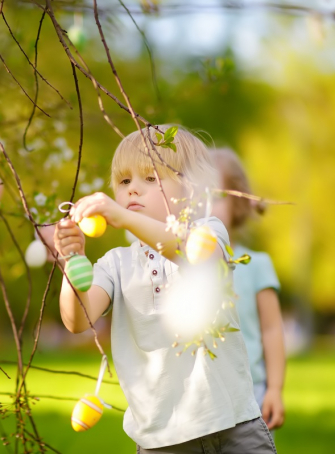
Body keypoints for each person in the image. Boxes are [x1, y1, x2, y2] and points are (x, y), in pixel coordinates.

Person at [54, 126, 277, 454]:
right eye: (125, 181)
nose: (133, 191)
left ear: (190, 188)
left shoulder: (207, 232)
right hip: (161, 439)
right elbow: (77, 320)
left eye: (150, 178)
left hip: (234, 424)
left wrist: (122, 219)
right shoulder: (116, 264)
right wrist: (72, 259)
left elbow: (196, 254)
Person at [210, 148, 285, 432]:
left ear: (237, 204)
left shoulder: (256, 265)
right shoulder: (179, 268)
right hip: (199, 403)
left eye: (215, 196)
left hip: (250, 398)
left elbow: (272, 330)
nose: (204, 207)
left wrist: (275, 389)